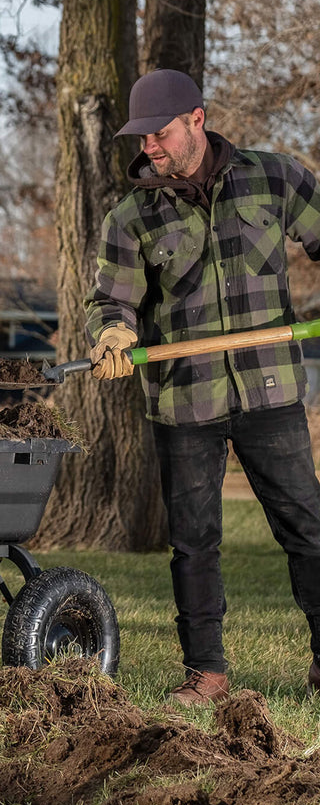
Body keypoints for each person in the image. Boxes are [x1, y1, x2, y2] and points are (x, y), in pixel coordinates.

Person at [84, 68, 320, 706]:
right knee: (193, 540)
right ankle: (207, 674)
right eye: (141, 139)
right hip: (184, 400)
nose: (149, 149)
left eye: (159, 134)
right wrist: (112, 335)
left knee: (308, 528)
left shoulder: (276, 178)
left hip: (270, 391)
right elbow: (112, 299)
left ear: (196, 119)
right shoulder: (132, 216)